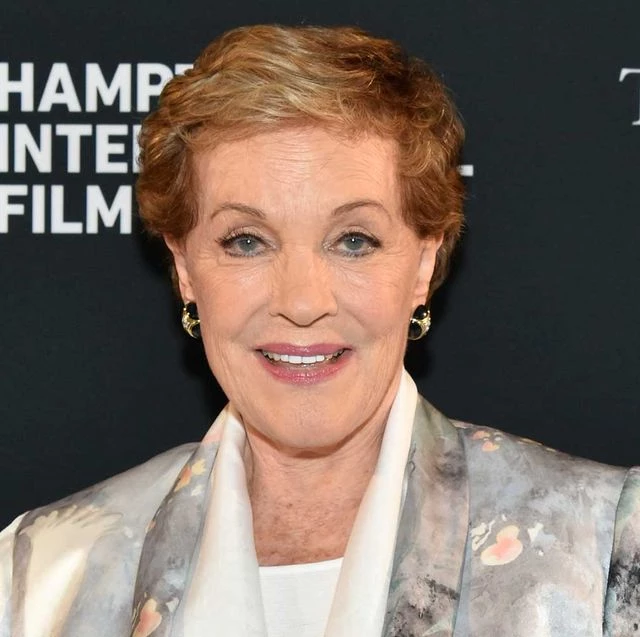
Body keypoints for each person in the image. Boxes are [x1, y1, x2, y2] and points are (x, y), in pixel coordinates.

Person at [0, 24, 638, 637]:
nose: (302, 303)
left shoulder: (606, 545)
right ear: (186, 268)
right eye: (246, 241)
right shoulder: (45, 571)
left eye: (353, 240)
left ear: (423, 264)